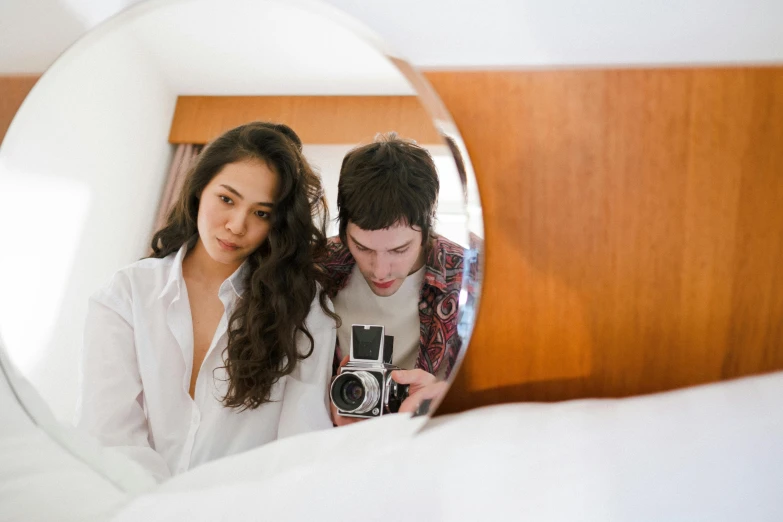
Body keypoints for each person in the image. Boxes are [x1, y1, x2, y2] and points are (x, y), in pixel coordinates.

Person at [75, 122, 337, 482]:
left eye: (261, 213)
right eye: (227, 199)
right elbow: (108, 433)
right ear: (200, 190)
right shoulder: (127, 294)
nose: (236, 225)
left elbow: (300, 444)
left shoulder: (303, 309)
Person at [318, 133, 464, 421]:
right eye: (362, 247)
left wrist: (445, 396)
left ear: (427, 226)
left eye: (399, 249)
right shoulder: (315, 268)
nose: (379, 270)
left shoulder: (467, 276)